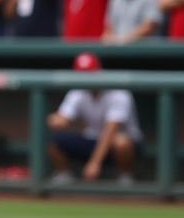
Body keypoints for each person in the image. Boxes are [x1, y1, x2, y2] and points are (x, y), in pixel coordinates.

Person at [47, 53, 141, 184]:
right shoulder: (77, 91)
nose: (86, 78)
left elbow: (110, 131)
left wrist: (95, 163)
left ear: (99, 72)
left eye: (89, 73)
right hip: (92, 139)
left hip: (120, 144)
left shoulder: (119, 93)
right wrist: (56, 120)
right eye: (82, 74)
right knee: (57, 140)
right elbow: (63, 118)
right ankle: (64, 176)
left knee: (121, 142)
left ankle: (125, 177)